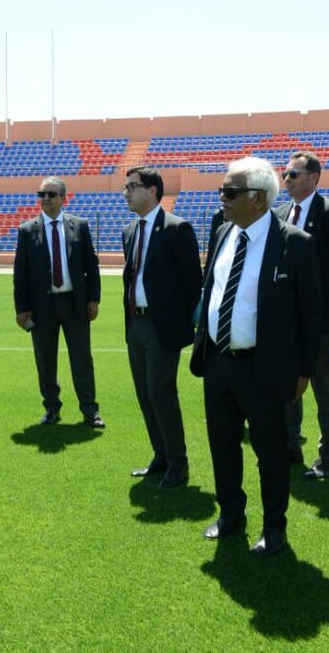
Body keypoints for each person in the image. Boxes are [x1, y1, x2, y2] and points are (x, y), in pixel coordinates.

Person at [191, 157, 322, 555]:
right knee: (223, 445)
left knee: (270, 453)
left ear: (259, 200)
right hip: (218, 361)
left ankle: (274, 527)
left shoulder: (295, 244)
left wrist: (304, 371)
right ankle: (231, 514)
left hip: (264, 367)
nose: (222, 199)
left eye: (230, 192)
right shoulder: (222, 231)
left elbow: (311, 315)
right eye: (222, 191)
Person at [122, 166, 203, 488]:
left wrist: (177, 324)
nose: (126, 192)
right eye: (125, 187)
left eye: (132, 186)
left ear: (153, 190)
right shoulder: (130, 231)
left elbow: (192, 282)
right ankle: (161, 455)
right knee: (145, 394)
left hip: (162, 327)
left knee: (161, 391)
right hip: (136, 323)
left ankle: (178, 464)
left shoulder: (177, 228)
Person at [273, 151, 329, 478]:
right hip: (285, 323)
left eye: (293, 174)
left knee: (323, 390)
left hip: (316, 324)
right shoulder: (279, 214)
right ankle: (290, 446)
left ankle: (327, 457)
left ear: (314, 177)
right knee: (288, 386)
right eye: (285, 174)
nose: (286, 179)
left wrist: (322, 313)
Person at [12, 176, 104, 427]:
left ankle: (90, 410)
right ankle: (51, 408)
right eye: (42, 194)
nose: (46, 199)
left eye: (51, 194)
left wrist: (93, 298)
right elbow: (20, 274)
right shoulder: (27, 230)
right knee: (45, 361)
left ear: (64, 197)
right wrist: (22, 309)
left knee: (82, 360)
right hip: (42, 308)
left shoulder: (80, 226)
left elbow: (91, 266)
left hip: (75, 305)